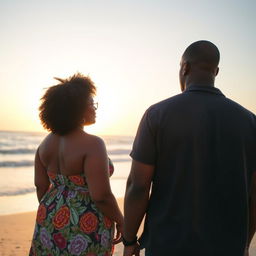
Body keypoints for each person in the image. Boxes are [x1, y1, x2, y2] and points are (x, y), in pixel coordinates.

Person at [123, 41, 256, 256]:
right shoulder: (250, 122)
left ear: (184, 68)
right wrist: (244, 243)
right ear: (217, 71)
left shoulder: (157, 115)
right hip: (227, 247)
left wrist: (130, 240)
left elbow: (138, 186)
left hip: (167, 245)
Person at [29, 73, 123, 255]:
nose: (95, 108)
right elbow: (101, 195)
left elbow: (40, 187)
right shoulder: (93, 144)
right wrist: (121, 220)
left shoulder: (44, 145)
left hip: (48, 217)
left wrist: (56, 211)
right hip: (85, 220)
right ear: (77, 109)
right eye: (91, 104)